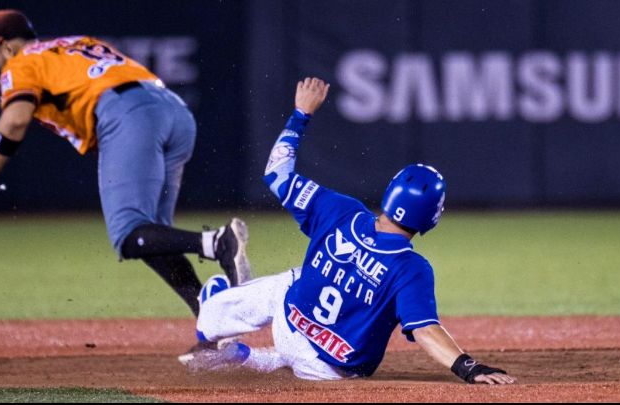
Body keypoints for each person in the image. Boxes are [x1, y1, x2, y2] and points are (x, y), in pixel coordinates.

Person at [180, 77, 515, 385]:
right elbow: (426, 330)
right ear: (431, 219)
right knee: (334, 323)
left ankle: (216, 318)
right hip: (330, 371)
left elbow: (277, 172)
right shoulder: (410, 269)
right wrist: (469, 368)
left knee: (293, 281)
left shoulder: (342, 212)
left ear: (390, 194)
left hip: (290, 324)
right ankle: (255, 358)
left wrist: (301, 114)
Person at [0, 9, 252, 317]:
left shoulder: (20, 62)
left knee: (128, 234)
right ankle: (212, 317)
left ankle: (218, 243)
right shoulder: (75, 43)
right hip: (174, 112)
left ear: (7, 47)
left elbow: (14, 121)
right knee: (152, 237)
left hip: (128, 115)